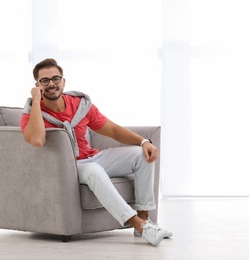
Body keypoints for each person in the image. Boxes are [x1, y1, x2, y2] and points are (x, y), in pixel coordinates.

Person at [20, 58, 172, 246]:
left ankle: (145, 222)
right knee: (93, 170)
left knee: (142, 154)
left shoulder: (79, 105)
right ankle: (139, 225)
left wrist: (143, 142)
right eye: (45, 81)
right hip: (69, 167)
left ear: (64, 81)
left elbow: (113, 130)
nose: (52, 84)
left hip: (94, 158)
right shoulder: (32, 113)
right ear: (37, 85)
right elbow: (36, 140)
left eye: (56, 78)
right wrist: (35, 100)